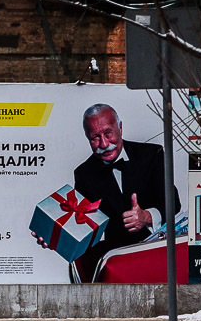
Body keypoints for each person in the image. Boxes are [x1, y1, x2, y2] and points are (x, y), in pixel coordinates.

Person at [69, 103, 174, 281]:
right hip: (118, 265)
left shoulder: (152, 154)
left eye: (108, 133)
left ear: (120, 128)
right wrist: (54, 237)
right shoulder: (84, 174)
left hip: (158, 254)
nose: (103, 144)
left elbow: (173, 203)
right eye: (94, 138)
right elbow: (83, 226)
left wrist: (147, 217)